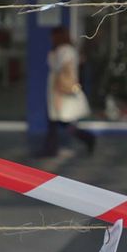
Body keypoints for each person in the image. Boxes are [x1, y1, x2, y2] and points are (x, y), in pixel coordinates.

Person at [44, 27, 96, 156]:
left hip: (60, 91)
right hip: (59, 90)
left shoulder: (64, 51)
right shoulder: (66, 50)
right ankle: (51, 149)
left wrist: (57, 96)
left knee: (61, 122)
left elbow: (60, 71)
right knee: (57, 122)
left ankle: (87, 138)